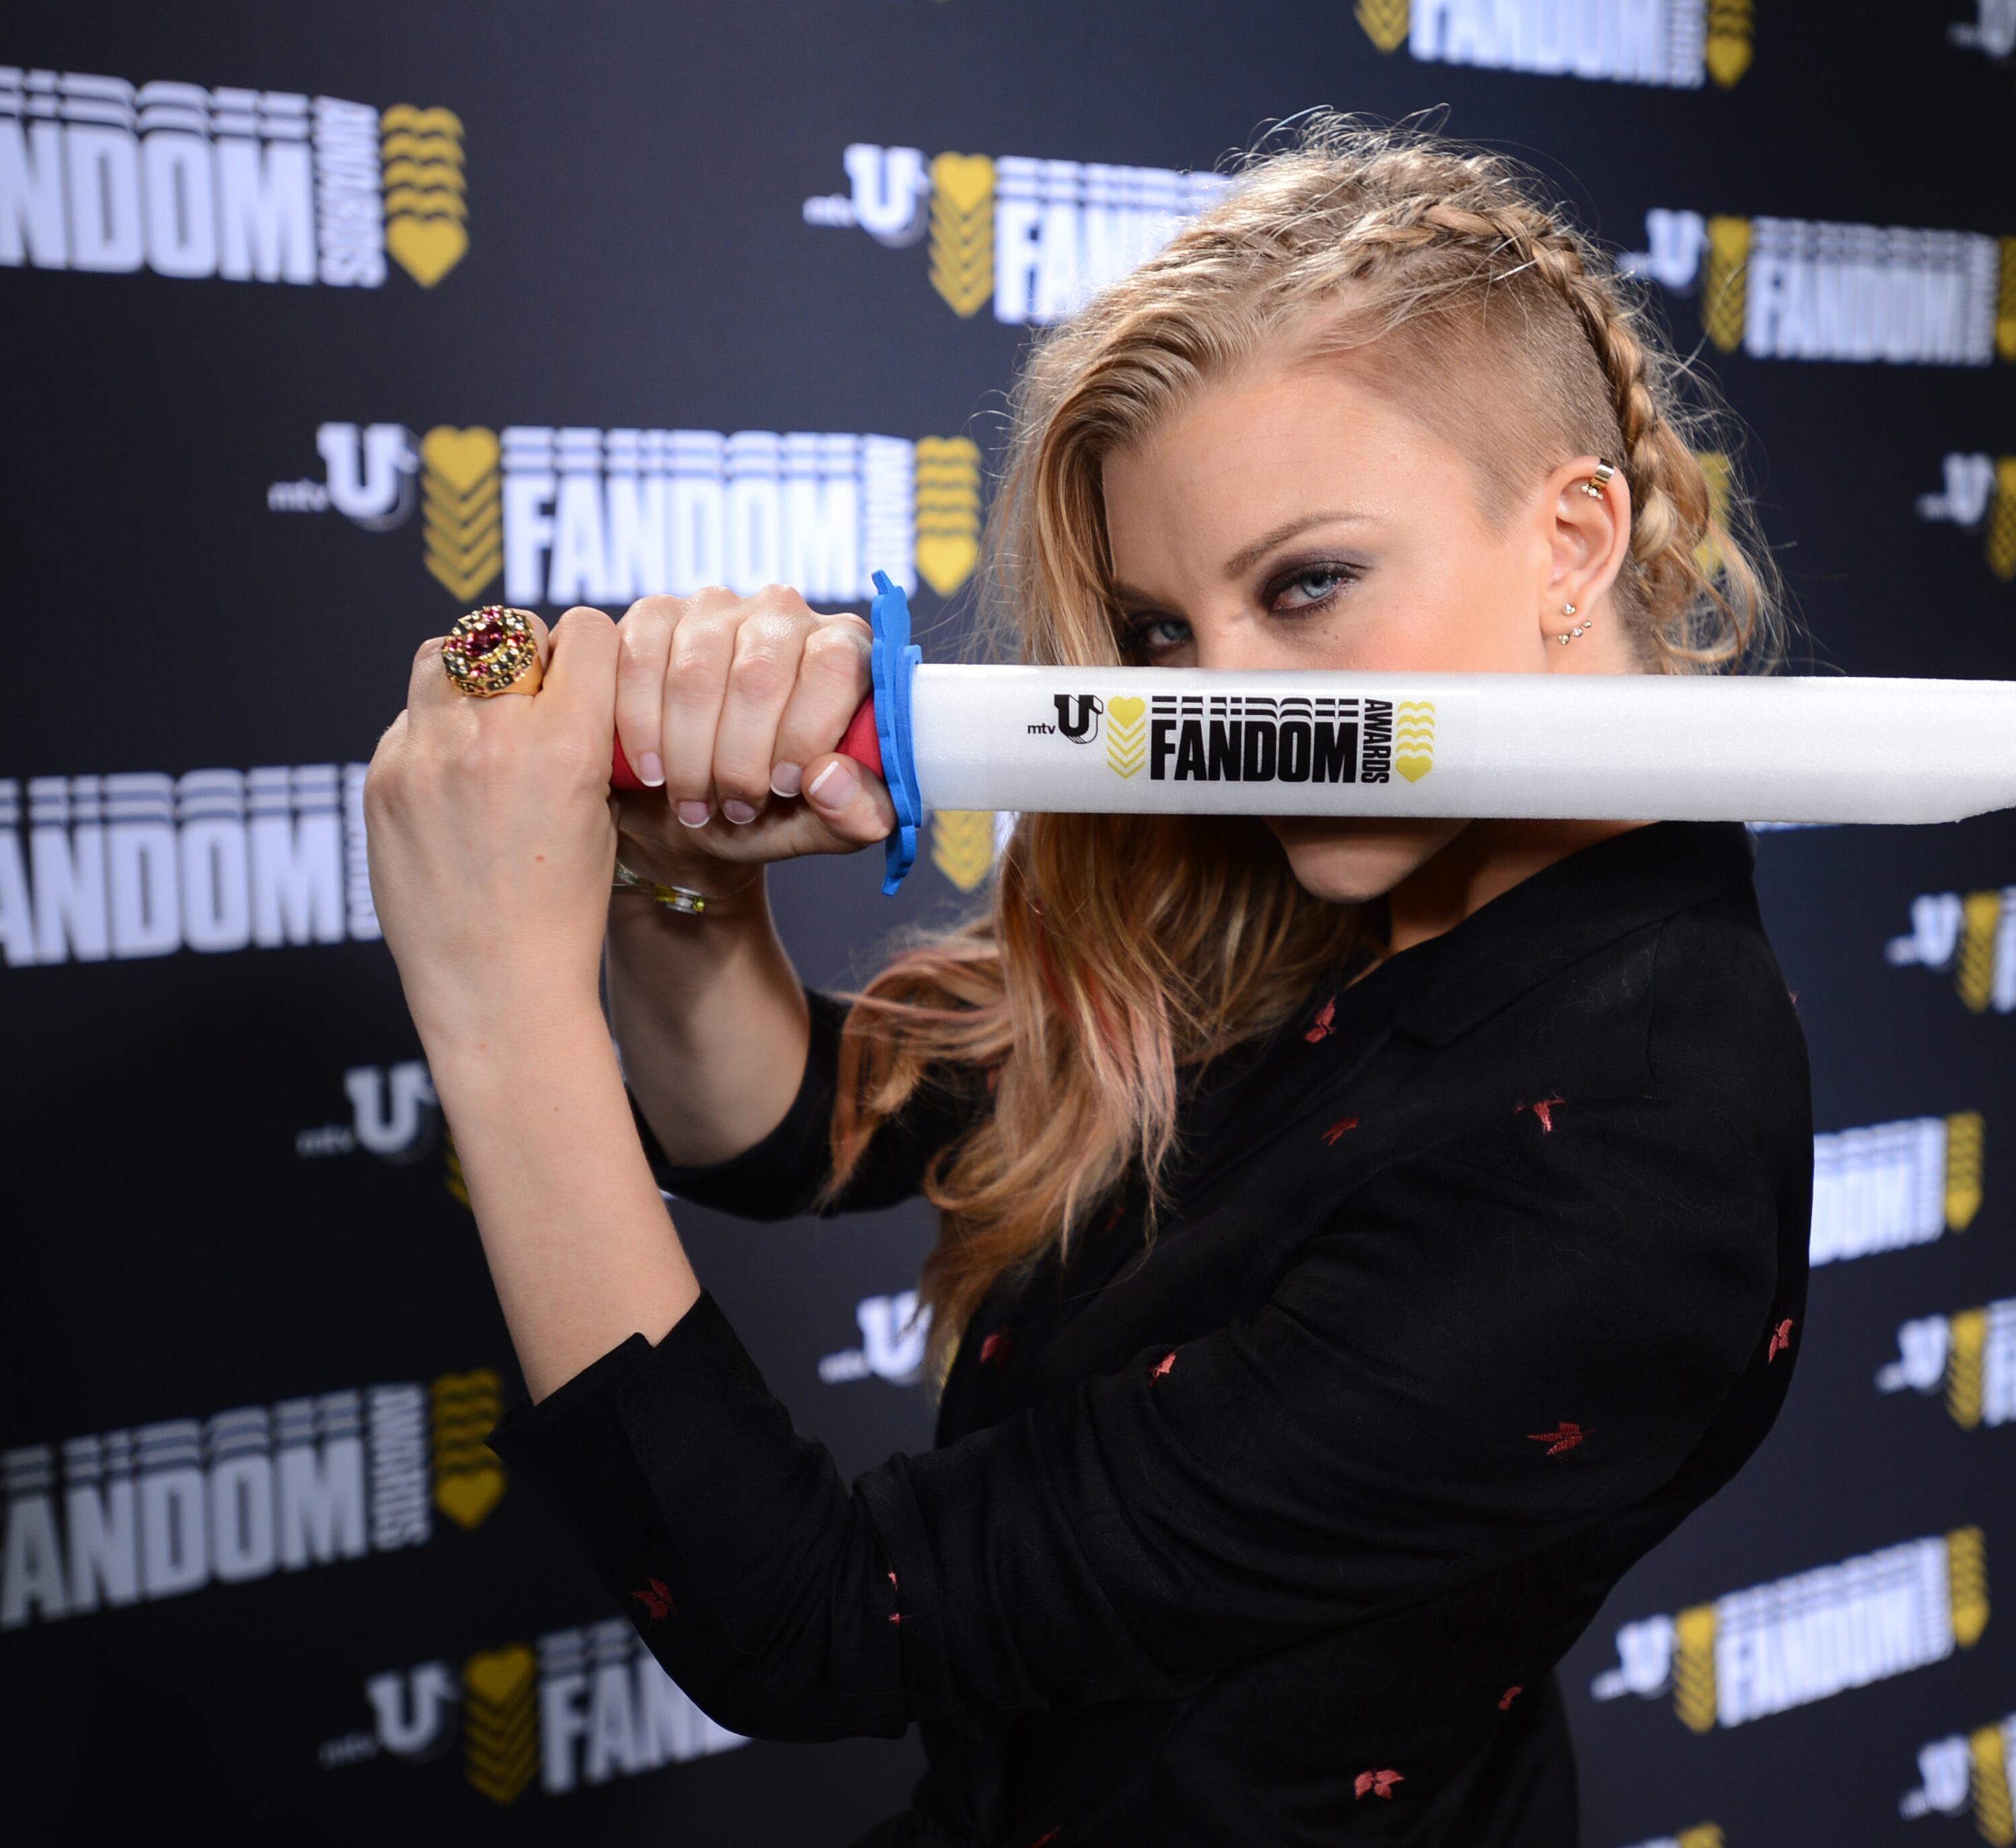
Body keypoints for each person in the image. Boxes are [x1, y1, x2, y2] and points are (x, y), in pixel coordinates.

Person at [363, 120, 1812, 1847]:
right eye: (1161, 633)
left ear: (1574, 540)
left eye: (1308, 585)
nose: (1224, 713)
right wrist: (682, 877)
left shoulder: (1635, 1143)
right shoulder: (1320, 869)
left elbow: (814, 1618)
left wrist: (496, 999)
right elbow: (785, 1133)